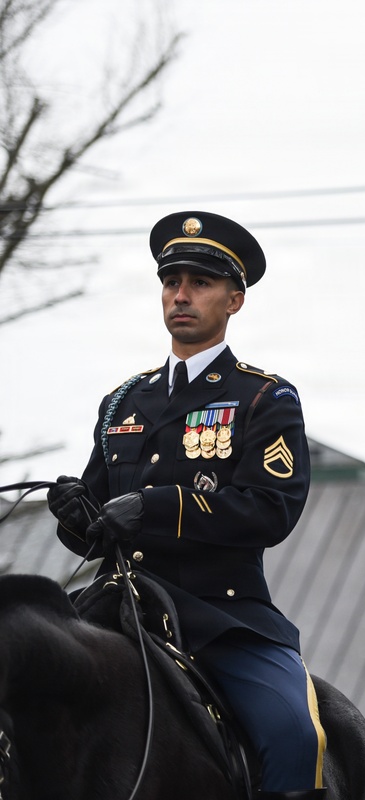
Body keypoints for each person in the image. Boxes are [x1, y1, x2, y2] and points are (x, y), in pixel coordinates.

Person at [46, 211, 325, 799]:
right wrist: (75, 514)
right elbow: (94, 527)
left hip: (219, 615)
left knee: (294, 734)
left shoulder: (263, 397)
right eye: (171, 282)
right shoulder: (122, 401)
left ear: (234, 300)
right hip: (115, 606)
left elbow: (271, 510)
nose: (181, 295)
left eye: (200, 283)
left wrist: (155, 506)